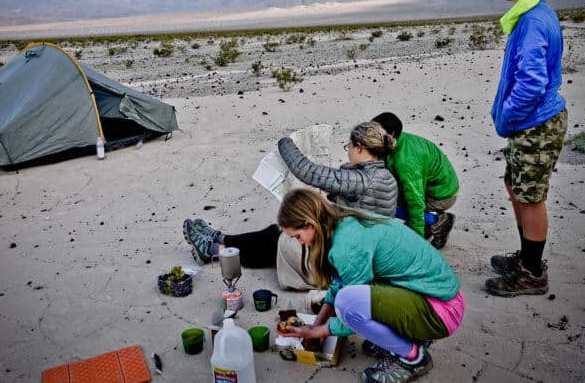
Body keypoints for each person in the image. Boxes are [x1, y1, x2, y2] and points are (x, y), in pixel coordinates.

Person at [275, 188, 464, 383]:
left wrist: (319, 331)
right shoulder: (344, 222)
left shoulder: (345, 246)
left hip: (441, 312)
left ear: (310, 224)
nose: (301, 243)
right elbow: (342, 281)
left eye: (297, 236)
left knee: (347, 303)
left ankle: (413, 358)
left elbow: (350, 306)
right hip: (435, 295)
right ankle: (404, 338)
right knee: (349, 298)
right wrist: (316, 325)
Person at [182, 122, 397, 273]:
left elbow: (307, 171)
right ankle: (220, 239)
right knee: (277, 231)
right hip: (361, 244)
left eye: (348, 146)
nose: (347, 151)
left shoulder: (363, 179)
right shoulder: (382, 175)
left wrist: (286, 143)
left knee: (281, 240)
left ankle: (214, 249)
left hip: (353, 252)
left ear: (359, 147)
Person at [486, 0, 567, 297]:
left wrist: (509, 116)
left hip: (536, 124)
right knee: (515, 186)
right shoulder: (536, 12)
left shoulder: (533, 20)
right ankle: (525, 259)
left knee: (531, 197)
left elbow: (532, 83)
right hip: (533, 123)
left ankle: (532, 273)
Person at [371, 112, 459, 249]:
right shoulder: (394, 144)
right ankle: (424, 225)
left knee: (385, 202)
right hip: (426, 184)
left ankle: (439, 222)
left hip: (441, 194)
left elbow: (416, 202)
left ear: (392, 134)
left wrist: (415, 244)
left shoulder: (406, 162)